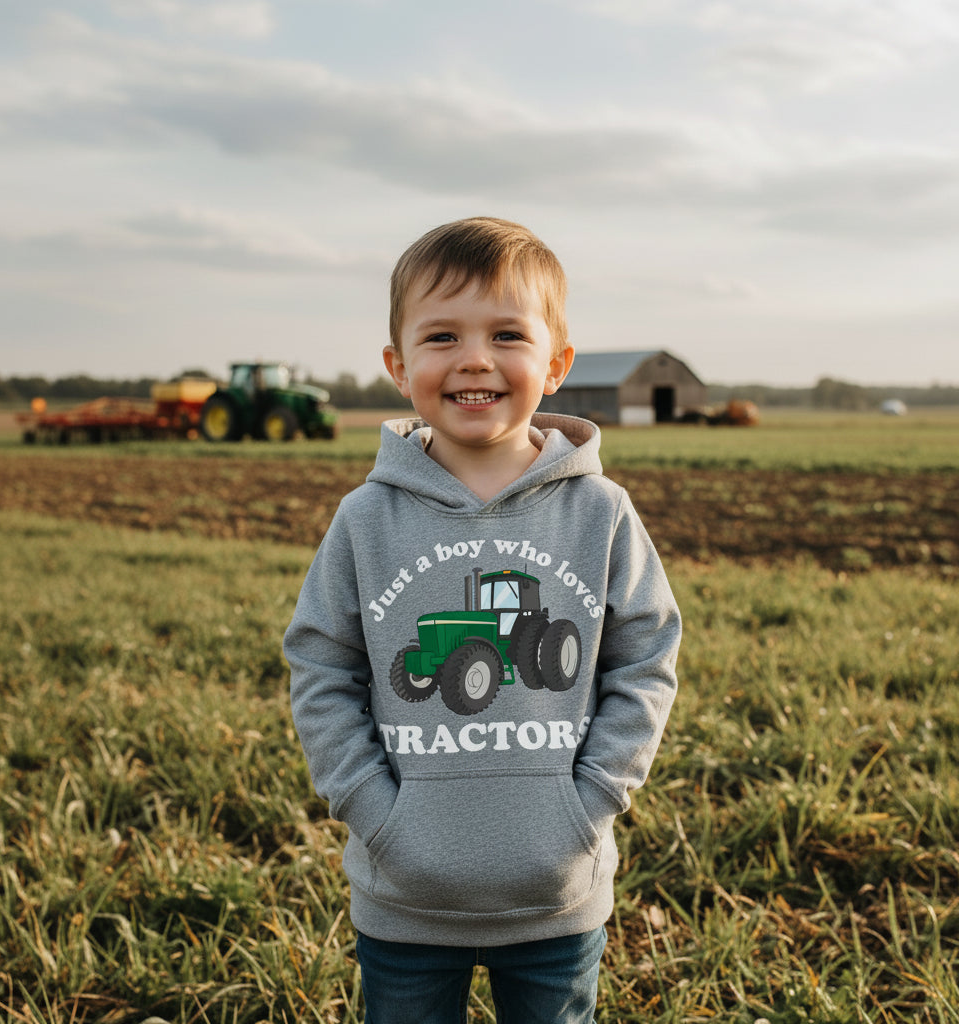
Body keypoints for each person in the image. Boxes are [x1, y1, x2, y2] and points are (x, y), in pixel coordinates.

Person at [283, 216, 682, 1023]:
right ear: (398, 366)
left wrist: (593, 796)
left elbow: (645, 657)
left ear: (556, 363)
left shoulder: (599, 510)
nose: (474, 358)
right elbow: (323, 666)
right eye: (441, 336)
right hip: (405, 892)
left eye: (506, 333)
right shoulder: (366, 519)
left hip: (556, 890)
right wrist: (371, 807)